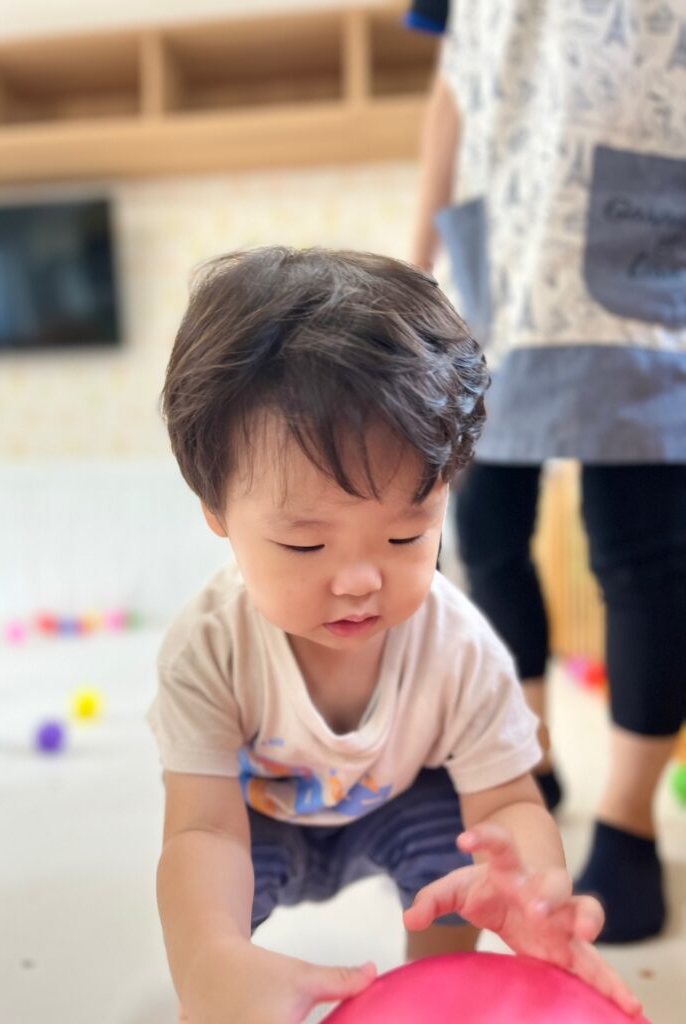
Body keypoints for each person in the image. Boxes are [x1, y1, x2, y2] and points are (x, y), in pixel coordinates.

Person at [148, 246, 640, 1023]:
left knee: (465, 850)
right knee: (211, 895)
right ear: (216, 510)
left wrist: (531, 887)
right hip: (257, 820)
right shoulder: (208, 649)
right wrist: (210, 960)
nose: (359, 580)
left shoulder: (460, 648)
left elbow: (508, 803)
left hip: (400, 803)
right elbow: (202, 828)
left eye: (407, 537)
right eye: (306, 545)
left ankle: (435, 989)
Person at [408, 0, 686, 944]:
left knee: (641, 555)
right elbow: (452, 86)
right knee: (484, 533)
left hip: (643, 231)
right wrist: (414, 260)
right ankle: (529, 760)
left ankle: (629, 824)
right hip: (505, 244)